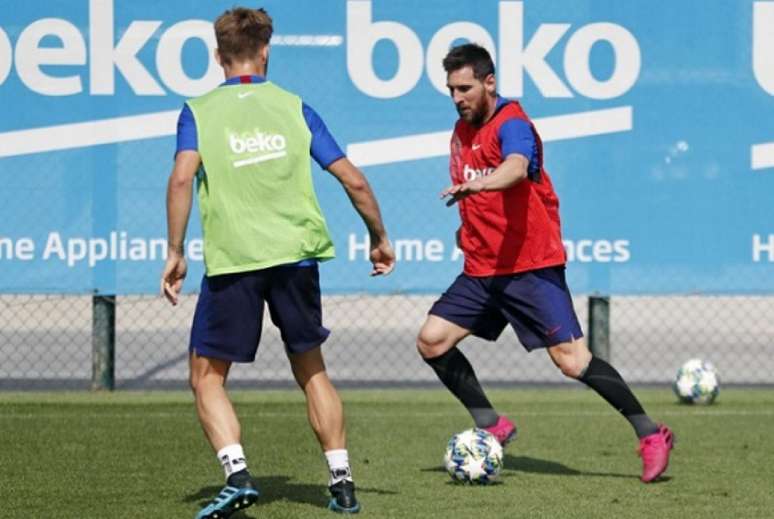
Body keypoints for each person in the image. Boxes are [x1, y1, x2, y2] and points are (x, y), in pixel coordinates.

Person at [160, 7, 395, 518]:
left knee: (207, 376)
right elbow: (353, 178)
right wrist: (378, 236)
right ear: (266, 52)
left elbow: (182, 178)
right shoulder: (295, 107)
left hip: (235, 261)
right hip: (297, 258)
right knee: (312, 370)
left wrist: (176, 252)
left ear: (218, 56)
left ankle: (237, 474)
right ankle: (343, 482)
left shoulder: (198, 110)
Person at [416, 43, 673, 483]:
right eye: (451, 90)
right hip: (483, 270)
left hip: (530, 267)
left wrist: (478, 189)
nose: (457, 98)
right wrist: (468, 225)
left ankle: (651, 434)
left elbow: (516, 167)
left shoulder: (513, 124)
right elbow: (475, 192)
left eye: (465, 87)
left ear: (489, 82)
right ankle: (491, 423)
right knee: (432, 340)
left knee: (573, 361)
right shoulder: (461, 130)